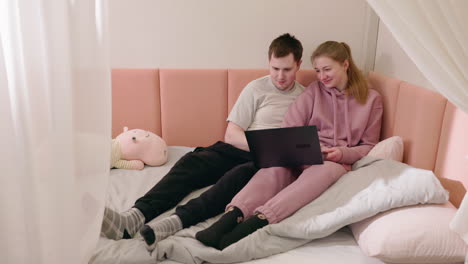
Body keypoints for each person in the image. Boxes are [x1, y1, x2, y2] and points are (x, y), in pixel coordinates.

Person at [101, 33, 306, 251]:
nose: (280, 76)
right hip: (241, 147)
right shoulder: (256, 89)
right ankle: (134, 217)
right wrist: (263, 144)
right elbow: (232, 134)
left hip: (268, 162)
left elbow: (304, 143)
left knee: (233, 180)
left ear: (299, 65)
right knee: (192, 162)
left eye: (287, 69)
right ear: (269, 63)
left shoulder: (306, 98)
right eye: (275, 69)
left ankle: (172, 224)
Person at [195, 40, 383, 250]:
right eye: (318, 70)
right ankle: (232, 216)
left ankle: (258, 221)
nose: (322, 76)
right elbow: (289, 127)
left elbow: (368, 146)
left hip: (335, 161)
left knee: (322, 172)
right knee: (275, 167)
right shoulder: (313, 92)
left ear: (345, 64)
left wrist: (341, 153)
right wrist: (303, 148)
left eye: (327, 69)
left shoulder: (372, 100)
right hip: (304, 151)